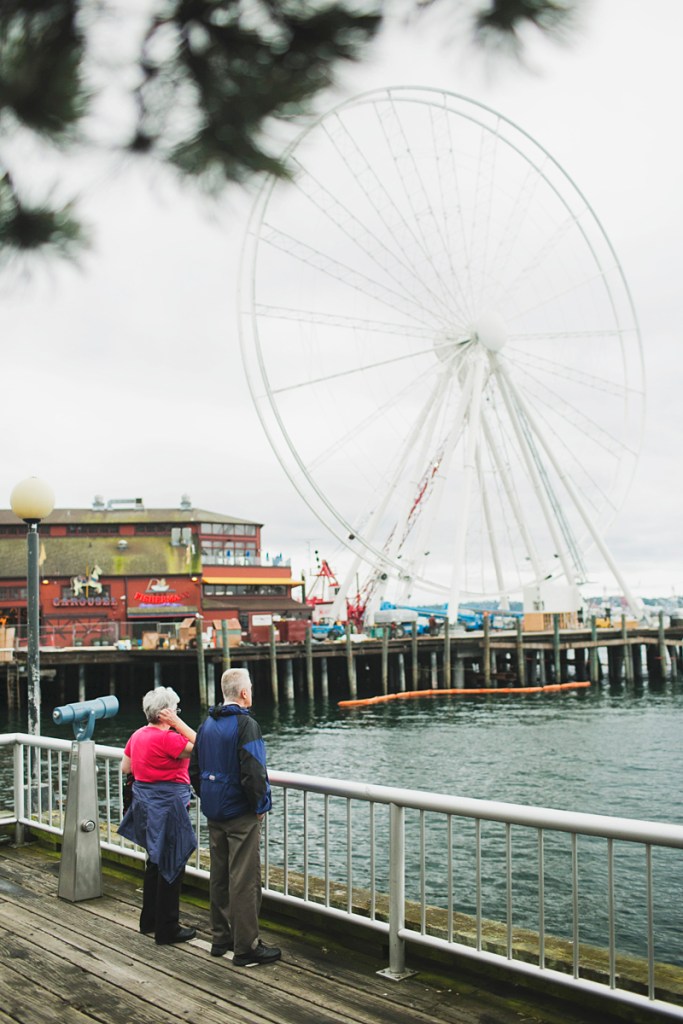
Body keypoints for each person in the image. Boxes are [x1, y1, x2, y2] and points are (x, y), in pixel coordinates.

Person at [191, 667, 281, 967]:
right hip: (240, 813)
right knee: (244, 879)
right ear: (244, 693)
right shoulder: (246, 725)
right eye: (251, 687)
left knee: (219, 875)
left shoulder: (207, 724)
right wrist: (261, 806)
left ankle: (221, 938)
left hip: (215, 810)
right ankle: (247, 947)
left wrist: (210, 796)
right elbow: (254, 772)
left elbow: (194, 769)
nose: (252, 691)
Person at [119, 686, 197, 945]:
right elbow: (202, 744)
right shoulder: (170, 739)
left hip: (146, 806)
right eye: (175, 709)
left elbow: (125, 767)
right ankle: (167, 928)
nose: (177, 713)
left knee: (154, 861)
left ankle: (149, 920)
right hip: (170, 807)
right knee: (172, 863)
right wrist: (178, 723)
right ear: (166, 713)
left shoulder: (138, 734)